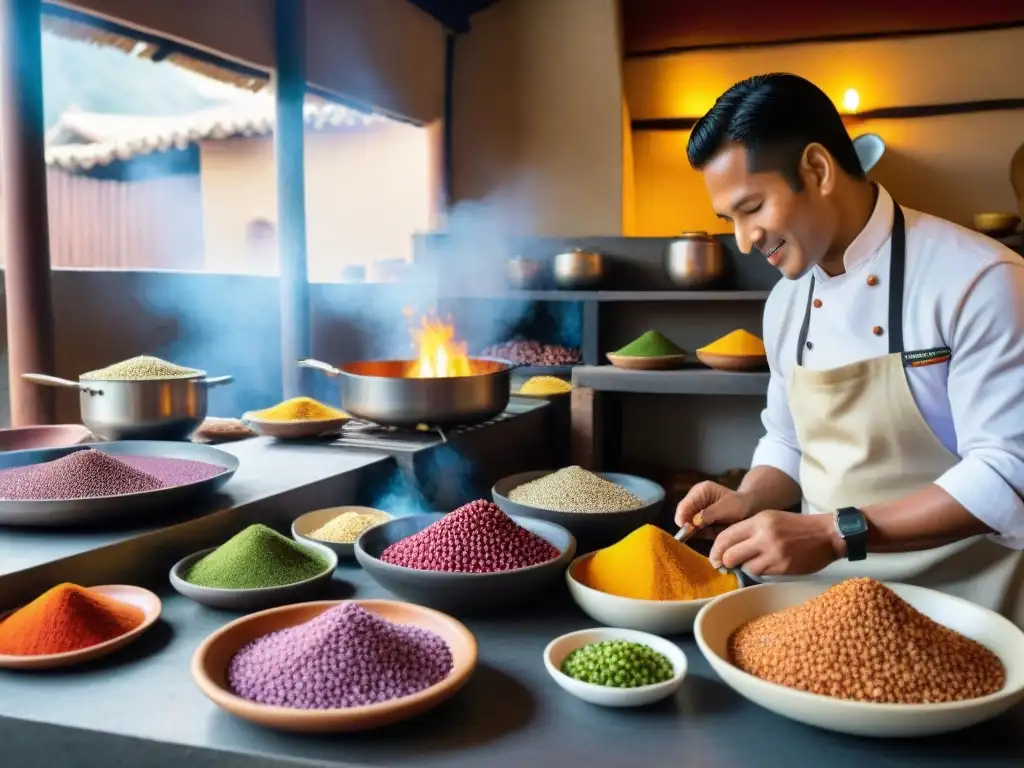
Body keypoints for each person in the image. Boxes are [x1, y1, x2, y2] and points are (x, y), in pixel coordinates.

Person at [674, 73, 1024, 623]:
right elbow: (789, 439)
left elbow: (1008, 471)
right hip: (830, 608)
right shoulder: (786, 302)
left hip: (967, 603)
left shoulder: (979, 279)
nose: (743, 240)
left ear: (817, 169)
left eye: (753, 208)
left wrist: (832, 533)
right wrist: (749, 496)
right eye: (729, 220)